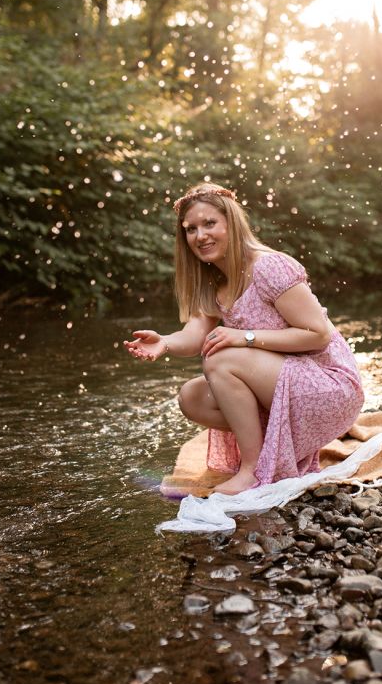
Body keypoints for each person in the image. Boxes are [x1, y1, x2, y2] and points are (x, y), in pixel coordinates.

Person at [124, 183, 364, 495]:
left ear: (232, 223)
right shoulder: (211, 281)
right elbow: (195, 335)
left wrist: (244, 337)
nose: (200, 235)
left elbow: (318, 334)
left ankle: (253, 471)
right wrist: (165, 342)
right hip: (284, 384)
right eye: (191, 229)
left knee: (220, 357)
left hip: (329, 387)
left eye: (210, 223)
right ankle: (273, 455)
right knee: (192, 396)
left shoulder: (268, 266)